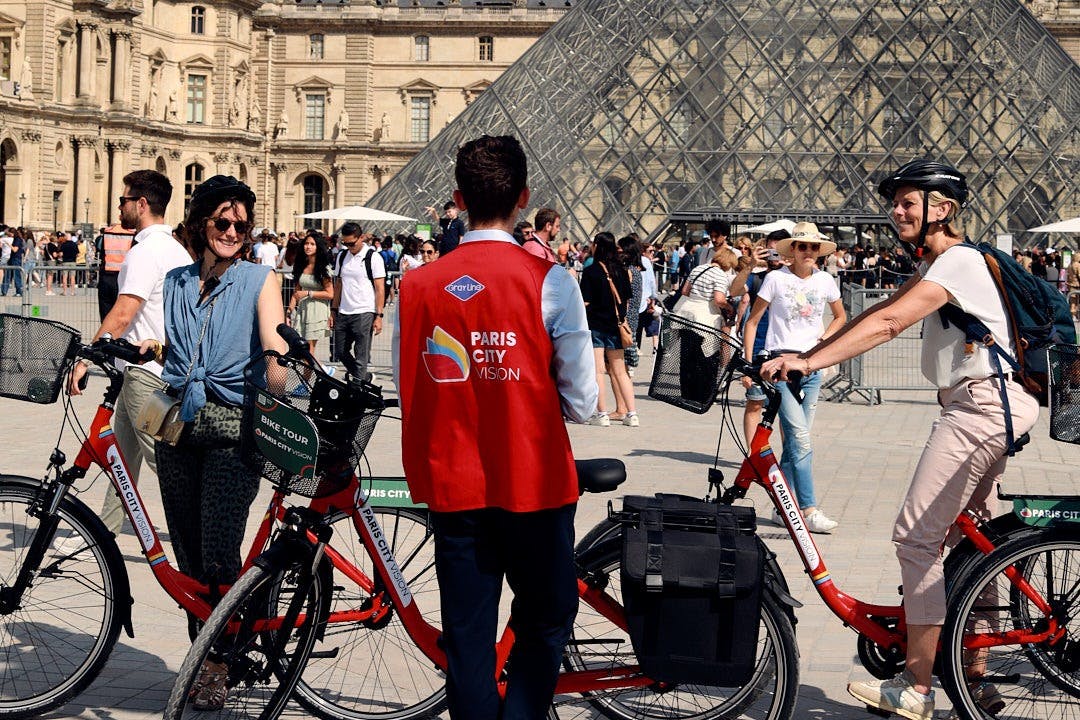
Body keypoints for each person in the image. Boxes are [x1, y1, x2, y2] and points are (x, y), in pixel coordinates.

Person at [762, 160, 1039, 720]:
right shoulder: (944, 263)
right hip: (991, 405)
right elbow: (884, 312)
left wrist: (808, 362)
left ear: (943, 208)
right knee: (973, 538)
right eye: (895, 202)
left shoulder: (958, 261)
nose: (896, 211)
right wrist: (803, 354)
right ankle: (972, 673)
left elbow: (889, 326)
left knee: (915, 538)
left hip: (980, 408)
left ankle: (917, 687)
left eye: (908, 201)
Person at [393, 134, 596, 720]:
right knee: (547, 615)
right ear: (524, 198)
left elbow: (412, 389)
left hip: (453, 486)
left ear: (457, 198)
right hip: (533, 482)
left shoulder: (417, 286)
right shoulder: (550, 280)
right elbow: (582, 400)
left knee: (467, 638)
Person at [147, 175, 286, 711]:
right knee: (186, 556)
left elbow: (272, 339)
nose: (232, 231)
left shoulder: (260, 278)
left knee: (218, 552)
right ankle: (200, 654)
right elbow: (174, 344)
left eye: (241, 224)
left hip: (232, 430)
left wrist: (280, 369)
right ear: (200, 222)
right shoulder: (179, 280)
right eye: (222, 221)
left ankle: (222, 661)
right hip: (178, 428)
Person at [68, 170, 191, 537]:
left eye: (123, 200)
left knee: (163, 460)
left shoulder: (144, 251)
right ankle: (104, 530)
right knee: (121, 455)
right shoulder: (175, 249)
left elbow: (123, 312)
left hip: (144, 373)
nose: (119, 206)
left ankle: (201, 529)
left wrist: (87, 357)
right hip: (152, 367)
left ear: (141, 204)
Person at [744, 222, 846, 534]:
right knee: (800, 439)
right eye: (802, 246)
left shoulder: (826, 281)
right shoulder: (775, 279)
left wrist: (822, 343)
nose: (808, 252)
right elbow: (753, 321)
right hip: (779, 366)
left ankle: (780, 506)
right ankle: (808, 508)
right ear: (793, 250)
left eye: (814, 247)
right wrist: (749, 367)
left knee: (795, 444)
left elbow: (841, 317)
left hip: (811, 365)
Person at [580, 232, 638, 427]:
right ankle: (632, 413)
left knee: (598, 370)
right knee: (620, 371)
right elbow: (627, 302)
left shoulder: (591, 271)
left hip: (595, 325)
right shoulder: (621, 270)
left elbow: (585, 302)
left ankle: (602, 413)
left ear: (597, 245)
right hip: (616, 326)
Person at [737, 230, 788, 446]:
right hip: (758, 349)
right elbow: (734, 289)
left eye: (779, 251)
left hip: (785, 351)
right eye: (770, 250)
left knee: (787, 412)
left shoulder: (796, 279)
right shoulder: (757, 278)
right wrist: (750, 264)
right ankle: (753, 455)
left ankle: (787, 454)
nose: (773, 256)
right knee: (755, 403)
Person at [331, 223, 385, 386]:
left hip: (364, 311)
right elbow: (338, 284)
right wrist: (333, 309)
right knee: (339, 351)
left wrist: (379, 315)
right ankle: (364, 378)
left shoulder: (373, 257)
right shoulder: (342, 256)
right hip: (344, 311)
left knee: (361, 355)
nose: (349, 247)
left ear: (361, 238)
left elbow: (380, 288)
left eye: (352, 243)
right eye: (345, 243)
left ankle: (357, 389)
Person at [286, 233, 334, 366]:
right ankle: (321, 371)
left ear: (318, 247)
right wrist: (290, 310)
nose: (308, 247)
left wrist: (309, 293)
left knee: (307, 350)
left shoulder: (324, 268)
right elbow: (296, 292)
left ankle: (306, 384)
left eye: (312, 244)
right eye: (306, 244)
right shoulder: (301, 265)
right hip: (302, 311)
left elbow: (330, 294)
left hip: (317, 310)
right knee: (302, 350)